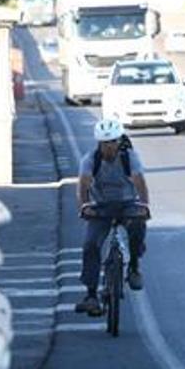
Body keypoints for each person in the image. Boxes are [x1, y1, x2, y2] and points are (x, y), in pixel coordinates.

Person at [75, 119, 150, 316]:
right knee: (90, 244)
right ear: (99, 143)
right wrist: (85, 205)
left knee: (138, 225)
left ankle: (133, 265)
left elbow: (139, 181)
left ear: (119, 141)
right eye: (105, 143)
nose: (109, 146)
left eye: (113, 142)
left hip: (127, 204)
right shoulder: (91, 160)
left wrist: (144, 205)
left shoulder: (129, 157)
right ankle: (91, 294)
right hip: (101, 207)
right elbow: (83, 184)